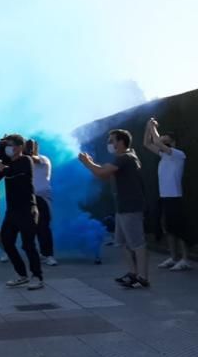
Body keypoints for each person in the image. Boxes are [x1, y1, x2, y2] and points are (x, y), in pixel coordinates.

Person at [79, 129, 149, 288]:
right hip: (123, 207)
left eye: (112, 140)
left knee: (137, 243)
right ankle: (132, 274)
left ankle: (142, 277)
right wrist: (90, 163)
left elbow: (102, 171)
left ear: (121, 142)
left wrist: (86, 162)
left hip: (131, 207)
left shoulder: (125, 158)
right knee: (122, 242)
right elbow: (102, 174)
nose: (109, 144)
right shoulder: (123, 158)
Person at [0, 135, 44, 290]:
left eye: (10, 144)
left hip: (27, 209)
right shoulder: (7, 162)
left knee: (28, 245)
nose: (7, 148)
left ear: (20, 147)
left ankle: (37, 277)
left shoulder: (25, 161)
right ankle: (22, 275)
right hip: (12, 211)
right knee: (7, 242)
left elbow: (9, 173)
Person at [144, 118, 191, 271]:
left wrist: (152, 127)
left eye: (165, 138)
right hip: (164, 197)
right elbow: (147, 143)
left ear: (172, 141)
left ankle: (185, 259)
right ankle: (173, 257)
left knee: (180, 229)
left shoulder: (178, 154)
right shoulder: (164, 155)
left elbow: (156, 142)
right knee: (168, 229)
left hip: (175, 197)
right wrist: (147, 127)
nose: (161, 138)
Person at [27, 139, 58, 266]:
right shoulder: (24, 161)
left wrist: (27, 152)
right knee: (32, 228)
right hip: (29, 197)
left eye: (30, 146)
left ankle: (49, 255)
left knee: (43, 226)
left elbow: (34, 159)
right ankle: (41, 253)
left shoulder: (43, 159)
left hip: (42, 197)